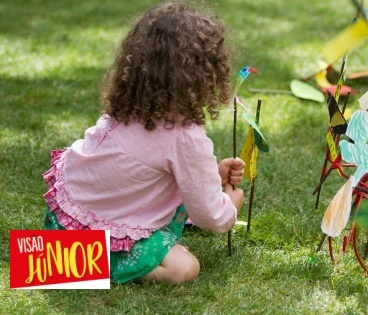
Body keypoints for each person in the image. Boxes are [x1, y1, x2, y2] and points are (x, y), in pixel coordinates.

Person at [42, 1, 245, 284]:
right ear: (206, 73)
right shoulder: (185, 136)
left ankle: (65, 254)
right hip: (94, 234)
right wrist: (231, 204)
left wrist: (212, 176)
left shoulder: (126, 106)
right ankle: (94, 260)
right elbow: (210, 216)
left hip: (62, 220)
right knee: (184, 268)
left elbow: (141, 173)